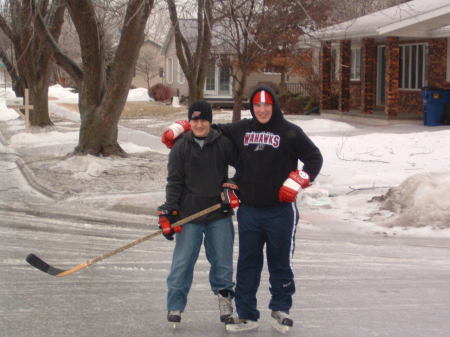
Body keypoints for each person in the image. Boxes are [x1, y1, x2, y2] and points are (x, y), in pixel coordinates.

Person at [161, 86, 323, 333]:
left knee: (280, 262)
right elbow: (213, 130)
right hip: (249, 211)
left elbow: (314, 158)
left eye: (266, 105)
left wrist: (299, 179)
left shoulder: (290, 131)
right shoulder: (242, 129)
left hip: (281, 211)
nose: (262, 110)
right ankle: (247, 314)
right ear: (252, 107)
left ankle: (281, 309)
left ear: (274, 106)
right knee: (248, 263)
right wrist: (181, 127)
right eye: (257, 105)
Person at [158, 100, 240, 327]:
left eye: (204, 119)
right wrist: (170, 210)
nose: (200, 124)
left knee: (223, 262)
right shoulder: (180, 147)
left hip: (218, 213)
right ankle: (175, 305)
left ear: (210, 121)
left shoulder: (223, 144)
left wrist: (233, 185)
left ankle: (225, 302)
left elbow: (244, 165)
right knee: (182, 262)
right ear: (189, 122)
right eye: (195, 120)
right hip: (189, 215)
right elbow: (174, 181)